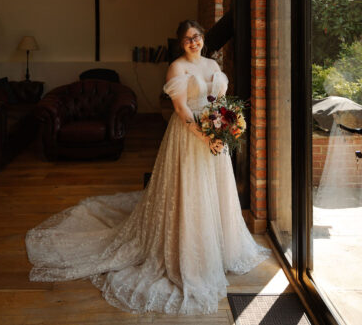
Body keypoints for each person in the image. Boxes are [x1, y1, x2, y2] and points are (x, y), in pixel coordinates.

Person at [25, 19, 271, 315]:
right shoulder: (177, 68)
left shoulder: (212, 64)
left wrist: (223, 130)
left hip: (213, 139)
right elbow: (181, 110)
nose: (193, 42)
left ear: (204, 38)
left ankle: (219, 248)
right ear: (181, 43)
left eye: (197, 37)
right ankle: (189, 251)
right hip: (189, 136)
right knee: (188, 192)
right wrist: (206, 136)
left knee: (215, 192)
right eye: (187, 39)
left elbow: (219, 103)